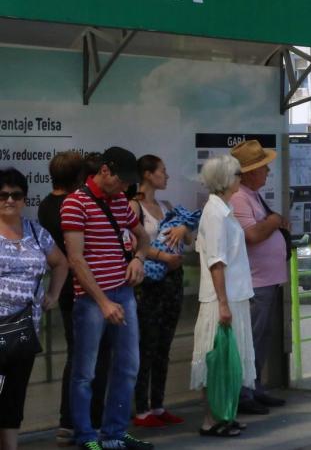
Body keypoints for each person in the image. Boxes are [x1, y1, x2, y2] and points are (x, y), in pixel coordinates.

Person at [61, 146, 154, 450]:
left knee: (129, 366)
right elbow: (76, 259)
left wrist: (138, 260)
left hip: (123, 292)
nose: (125, 187)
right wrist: (102, 301)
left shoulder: (121, 204)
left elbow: (143, 237)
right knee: (85, 372)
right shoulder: (75, 204)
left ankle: (114, 432)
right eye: (122, 181)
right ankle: (86, 436)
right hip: (91, 300)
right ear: (104, 171)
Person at [38, 151, 108, 446]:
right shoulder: (72, 205)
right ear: (79, 178)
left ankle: (72, 420)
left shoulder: (45, 207)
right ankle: (82, 420)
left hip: (68, 289)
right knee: (89, 356)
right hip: (81, 289)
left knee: (78, 354)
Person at [0, 167, 69, 449]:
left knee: (14, 393)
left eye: (16, 195)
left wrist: (53, 294)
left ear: (25, 199)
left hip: (25, 329)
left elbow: (61, 262)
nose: (9, 200)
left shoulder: (35, 231)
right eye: (3, 194)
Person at [191, 155, 256, 438]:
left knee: (230, 359)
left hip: (234, 295)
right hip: (222, 298)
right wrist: (223, 303)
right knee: (215, 358)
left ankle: (224, 414)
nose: (242, 178)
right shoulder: (215, 213)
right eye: (238, 174)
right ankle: (212, 418)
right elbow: (216, 262)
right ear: (226, 179)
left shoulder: (224, 209)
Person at [228, 140, 289, 414]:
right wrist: (274, 222)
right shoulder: (239, 197)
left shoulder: (251, 195)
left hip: (267, 280)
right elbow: (251, 235)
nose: (267, 173)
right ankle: (243, 393)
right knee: (250, 339)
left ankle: (255, 386)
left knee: (260, 339)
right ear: (250, 171)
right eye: (263, 168)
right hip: (255, 281)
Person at [132, 155, 188, 429]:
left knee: (164, 345)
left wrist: (183, 227)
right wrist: (160, 256)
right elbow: (131, 244)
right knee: (147, 344)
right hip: (150, 282)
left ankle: (158, 404)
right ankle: (141, 408)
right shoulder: (134, 206)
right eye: (162, 172)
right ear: (147, 174)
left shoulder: (166, 206)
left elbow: (187, 236)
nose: (166, 176)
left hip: (172, 280)